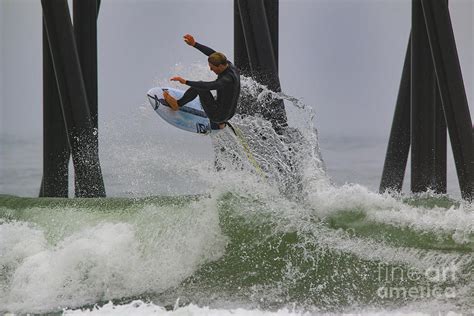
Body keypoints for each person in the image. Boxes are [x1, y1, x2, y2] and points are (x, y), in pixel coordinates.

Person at [163, 34, 241, 130]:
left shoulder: (226, 79)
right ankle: (221, 123)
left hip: (217, 115)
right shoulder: (229, 65)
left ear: (220, 66)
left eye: (212, 68)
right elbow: (211, 53)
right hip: (229, 114)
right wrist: (194, 44)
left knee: (199, 86)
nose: (211, 70)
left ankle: (177, 104)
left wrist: (186, 81)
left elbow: (209, 86)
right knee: (224, 96)